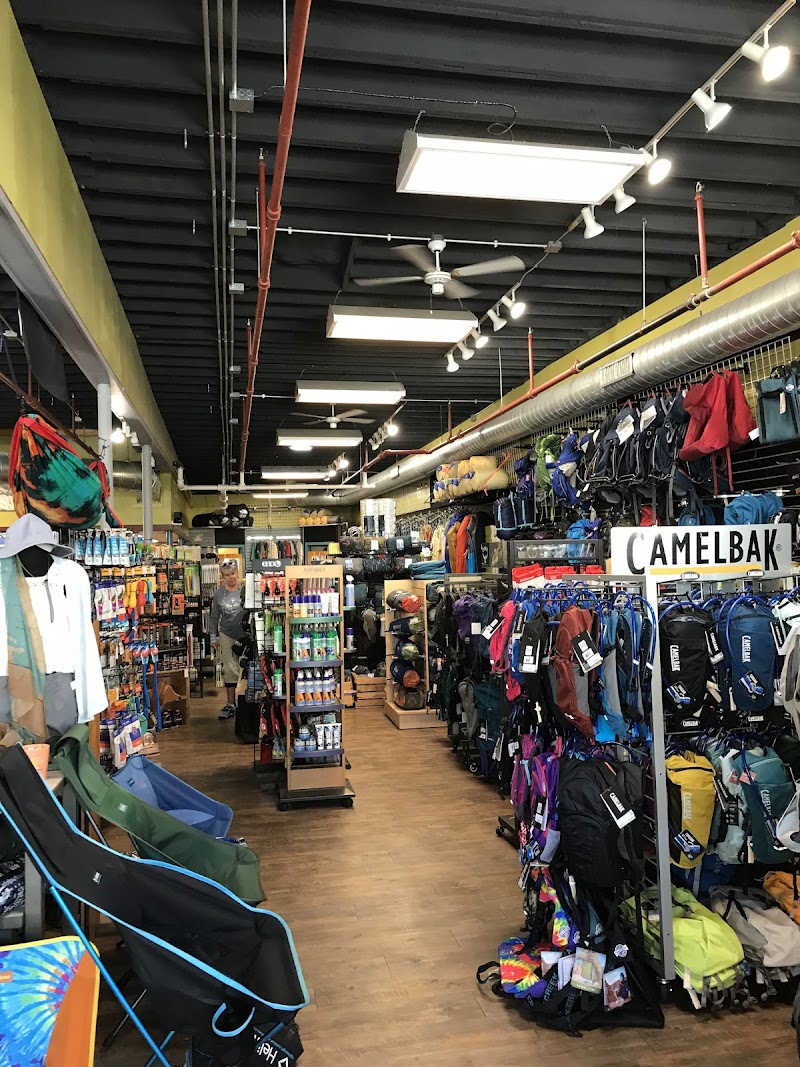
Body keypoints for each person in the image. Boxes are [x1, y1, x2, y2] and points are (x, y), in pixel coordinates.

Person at [210, 559, 246, 719]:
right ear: (222, 577)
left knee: (249, 669)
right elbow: (214, 617)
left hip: (246, 634)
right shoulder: (219, 593)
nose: (231, 577)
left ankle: (249, 702)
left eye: (233, 573)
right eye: (227, 575)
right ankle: (231, 704)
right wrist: (213, 637)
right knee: (230, 670)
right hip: (226, 634)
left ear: (237, 572)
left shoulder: (245, 588)